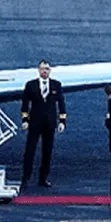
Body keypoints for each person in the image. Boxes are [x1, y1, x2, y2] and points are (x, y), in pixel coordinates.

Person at [20, 59, 66, 188]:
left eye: (46, 69)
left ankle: (43, 178)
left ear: (49, 71)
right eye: (42, 69)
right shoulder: (31, 85)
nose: (44, 71)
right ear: (38, 70)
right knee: (30, 150)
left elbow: (61, 104)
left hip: (50, 123)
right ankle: (26, 177)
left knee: (47, 152)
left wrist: (62, 121)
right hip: (35, 122)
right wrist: (25, 120)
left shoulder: (56, 85)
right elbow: (25, 104)